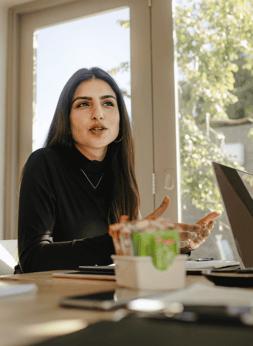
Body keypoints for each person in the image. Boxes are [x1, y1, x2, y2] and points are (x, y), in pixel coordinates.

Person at [16, 67, 220, 273]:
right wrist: (121, 241)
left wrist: (178, 246)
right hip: (45, 295)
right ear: (66, 119)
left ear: (120, 119)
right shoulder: (43, 163)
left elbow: (130, 253)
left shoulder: (120, 176)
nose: (98, 114)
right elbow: (33, 259)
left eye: (108, 103)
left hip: (97, 293)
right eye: (84, 104)